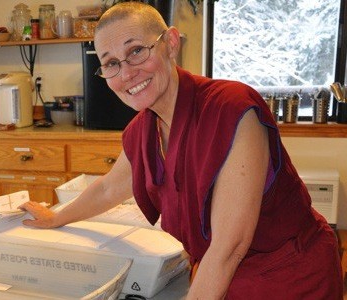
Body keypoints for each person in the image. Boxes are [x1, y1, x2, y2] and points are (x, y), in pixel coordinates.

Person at [19, 2, 343, 299]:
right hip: (223, 276)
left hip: (291, 275)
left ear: (171, 43)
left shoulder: (232, 109)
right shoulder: (142, 131)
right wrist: (56, 217)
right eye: (111, 64)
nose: (127, 73)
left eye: (136, 52)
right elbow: (107, 188)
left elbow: (229, 247)